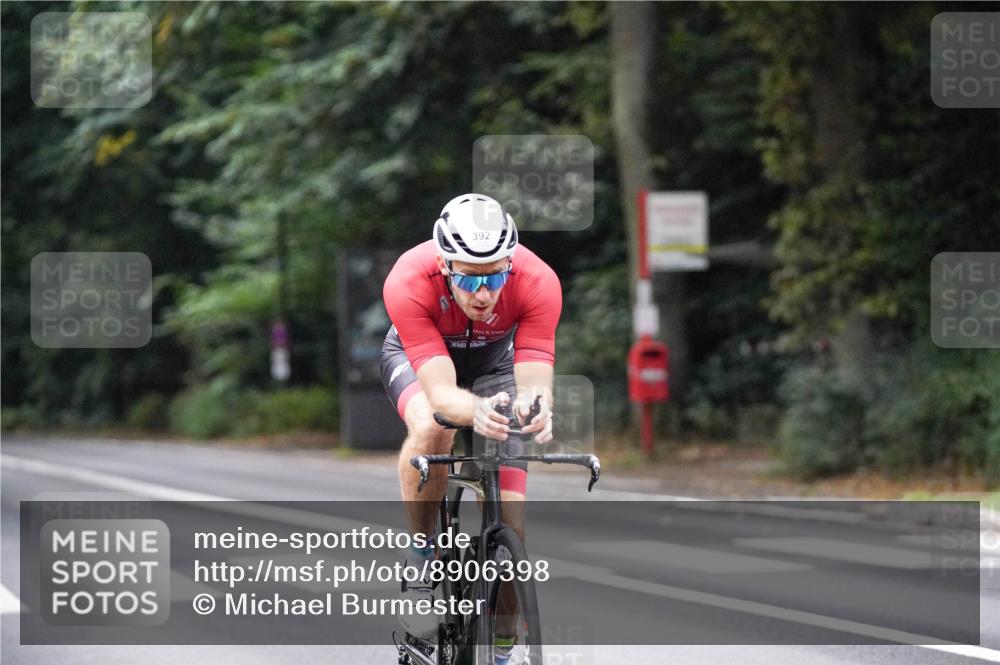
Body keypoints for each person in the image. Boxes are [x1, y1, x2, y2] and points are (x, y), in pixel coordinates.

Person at [380, 193, 561, 658]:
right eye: (468, 278)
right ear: (443, 264)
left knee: (513, 531)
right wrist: (472, 411)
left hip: (493, 364)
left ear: (511, 262)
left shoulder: (539, 280)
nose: (484, 294)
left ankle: (502, 647)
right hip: (420, 359)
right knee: (431, 427)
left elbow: (535, 370)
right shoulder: (408, 279)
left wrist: (536, 406)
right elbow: (440, 393)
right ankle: (423, 556)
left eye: (496, 276)